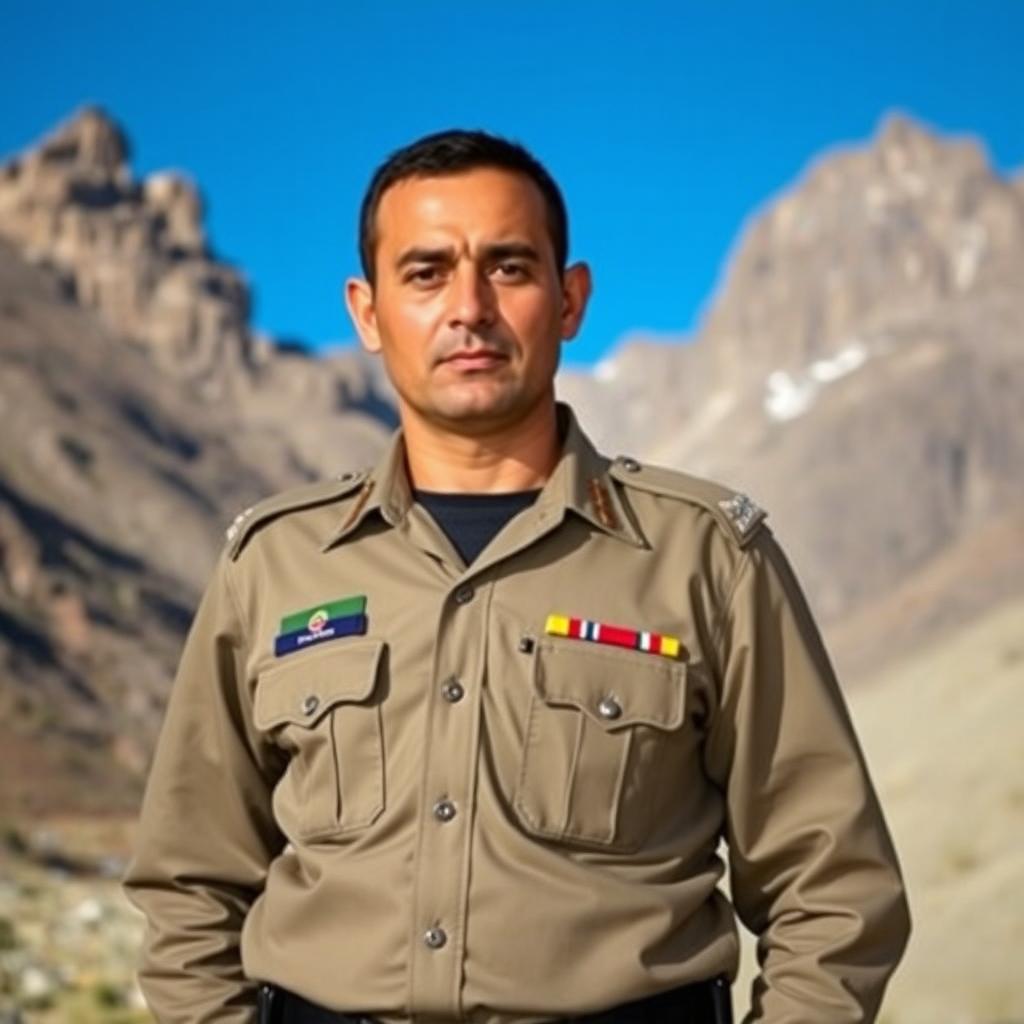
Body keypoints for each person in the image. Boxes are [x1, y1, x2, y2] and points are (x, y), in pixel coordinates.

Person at [122, 129, 911, 1024]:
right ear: (368, 312)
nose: (469, 308)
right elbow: (189, 881)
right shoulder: (273, 564)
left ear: (569, 299)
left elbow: (834, 889)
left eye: (508, 268)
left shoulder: (707, 557)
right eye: (425, 273)